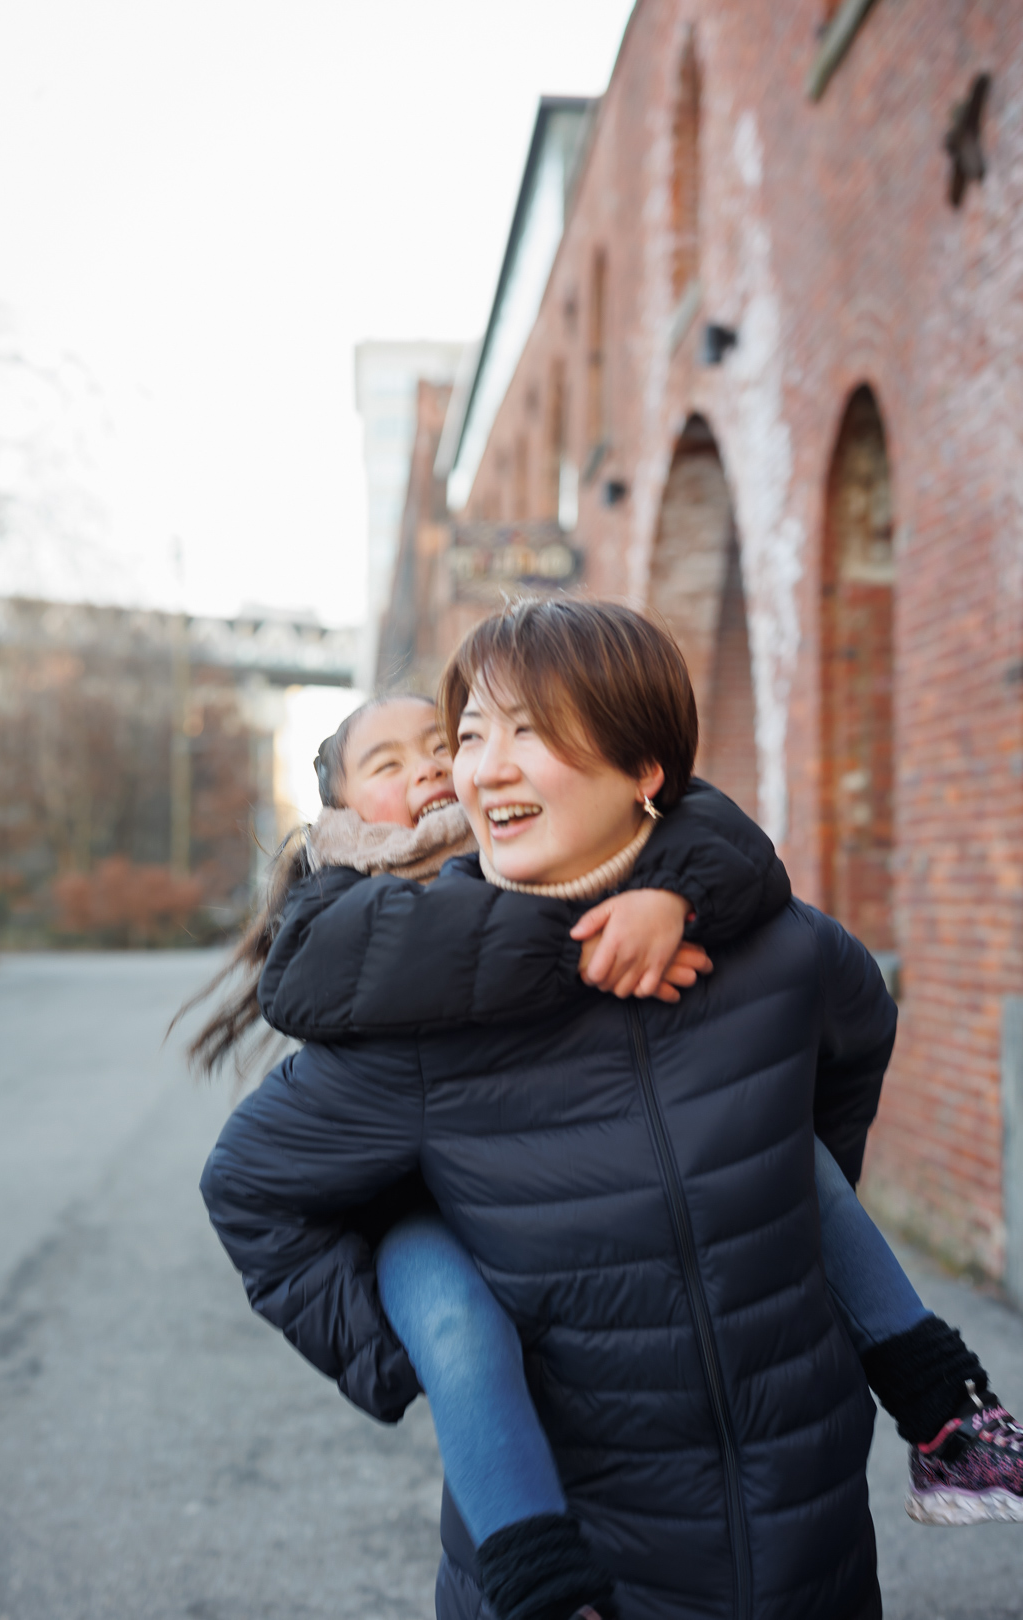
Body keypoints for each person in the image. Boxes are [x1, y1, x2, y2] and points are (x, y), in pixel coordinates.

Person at [199, 606, 1021, 1619]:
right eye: (472, 736)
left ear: (643, 773)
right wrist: (438, 1339)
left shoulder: (776, 947)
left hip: (814, 1553)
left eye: (529, 731)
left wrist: (772, 1231)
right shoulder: (420, 1014)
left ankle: (951, 1417)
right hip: (585, 1574)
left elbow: (850, 1042)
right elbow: (252, 1193)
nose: (484, 769)